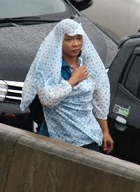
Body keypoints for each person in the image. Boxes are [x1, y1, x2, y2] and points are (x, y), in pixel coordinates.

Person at [20, 18, 114, 154]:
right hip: (57, 138)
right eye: (69, 39)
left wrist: (105, 131)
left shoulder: (88, 66)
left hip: (88, 136)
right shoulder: (48, 68)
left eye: (79, 38)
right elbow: (47, 99)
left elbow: (99, 99)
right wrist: (73, 80)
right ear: (59, 41)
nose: (75, 44)